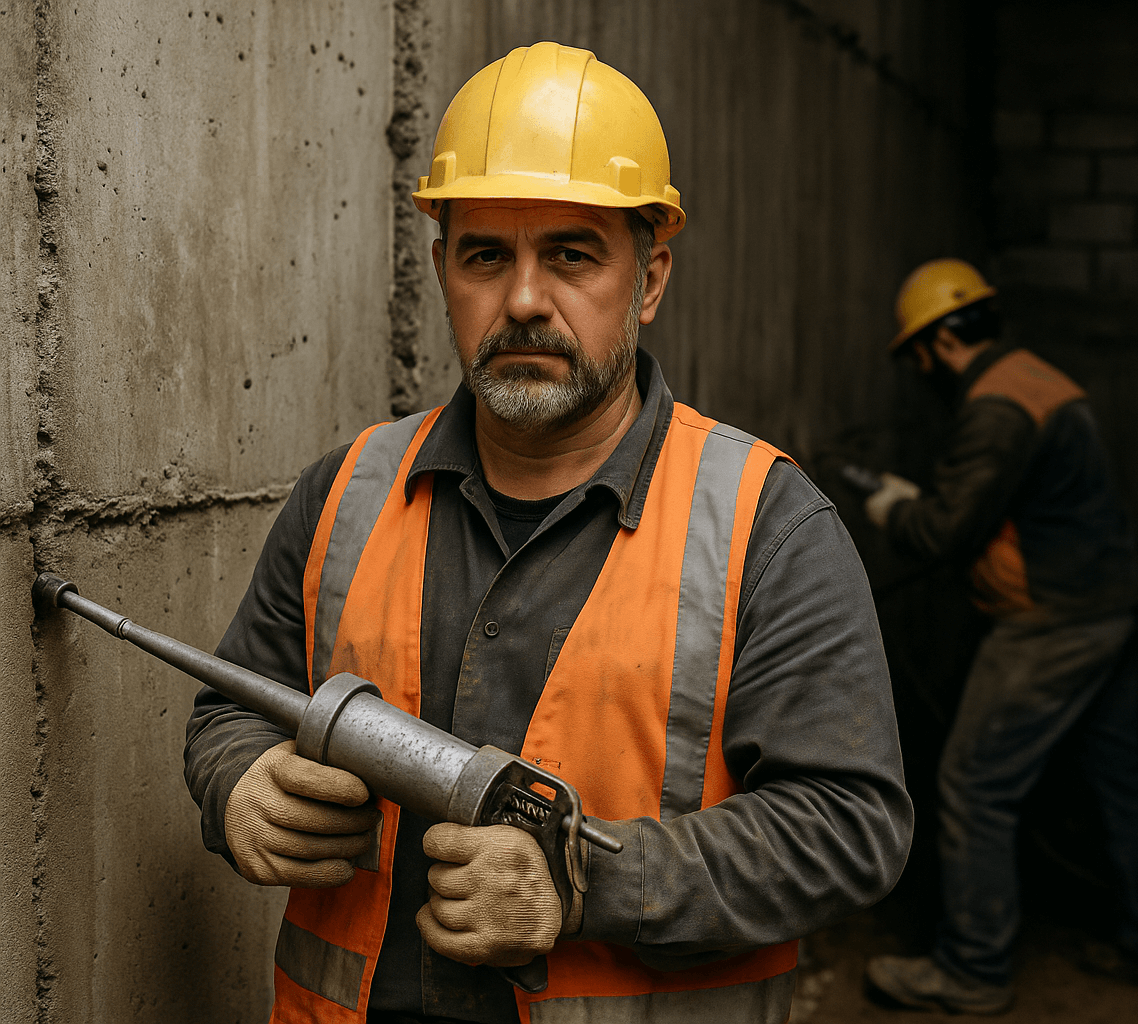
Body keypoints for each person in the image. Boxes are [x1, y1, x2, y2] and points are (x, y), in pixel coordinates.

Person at [183, 42, 912, 1024]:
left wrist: (585, 883)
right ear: (444, 271)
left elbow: (849, 827)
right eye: (486, 255)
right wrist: (239, 785)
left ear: (649, 279)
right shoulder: (345, 492)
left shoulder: (765, 526)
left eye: (570, 253)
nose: (523, 299)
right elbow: (234, 707)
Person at [861, 259, 1138, 1014]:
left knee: (974, 785)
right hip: (1108, 607)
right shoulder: (1040, 379)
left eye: (919, 354)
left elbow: (948, 531)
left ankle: (973, 969)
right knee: (1125, 775)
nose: (922, 371)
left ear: (944, 340)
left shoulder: (994, 407)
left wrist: (893, 510)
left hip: (1052, 622)